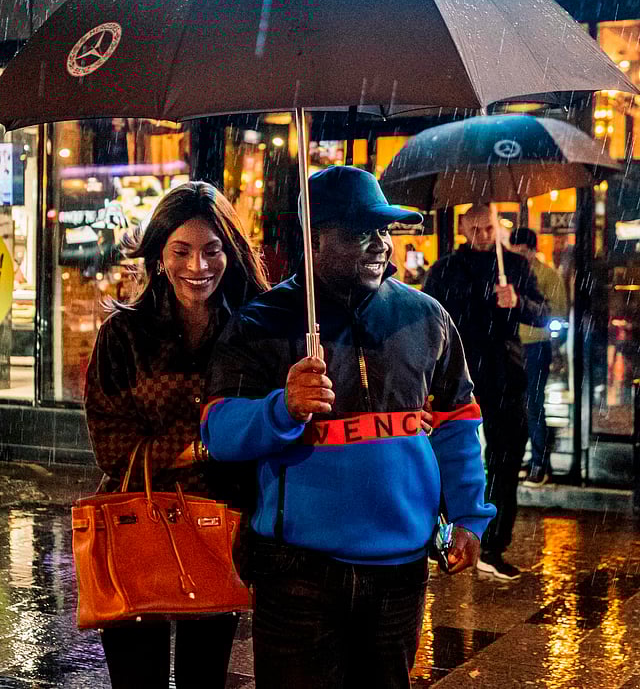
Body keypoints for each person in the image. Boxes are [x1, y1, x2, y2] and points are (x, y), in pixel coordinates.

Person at [201, 166, 495, 689]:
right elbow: (219, 433)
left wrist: (470, 515)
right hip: (296, 575)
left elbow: (457, 422)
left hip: (401, 576)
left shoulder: (425, 317)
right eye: (362, 231)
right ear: (313, 238)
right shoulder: (259, 322)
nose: (381, 243)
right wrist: (281, 408)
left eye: (384, 230)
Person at [84, 180, 269, 689]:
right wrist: (203, 442)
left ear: (230, 252)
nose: (198, 267)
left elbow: (265, 426)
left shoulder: (251, 333)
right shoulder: (124, 335)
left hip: (221, 533)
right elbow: (111, 446)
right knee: (136, 678)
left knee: (203, 680)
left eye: (212, 251)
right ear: (158, 256)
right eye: (181, 251)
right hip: (136, 530)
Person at [423, 204, 548, 582]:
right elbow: (428, 318)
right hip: (455, 376)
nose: (482, 234)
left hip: (504, 373)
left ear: (498, 227)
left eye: (489, 227)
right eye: (475, 228)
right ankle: (445, 535)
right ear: (463, 228)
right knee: (447, 455)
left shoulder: (515, 266)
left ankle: (493, 543)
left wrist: (517, 302)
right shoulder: (445, 269)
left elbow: (543, 313)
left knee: (506, 456)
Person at [510, 227, 568, 487]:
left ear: (533, 251)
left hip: (535, 346)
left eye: (523, 252)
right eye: (515, 252)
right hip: (512, 345)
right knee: (514, 406)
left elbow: (557, 312)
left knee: (533, 404)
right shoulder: (508, 273)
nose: (520, 257)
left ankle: (538, 463)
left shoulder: (547, 275)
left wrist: (525, 304)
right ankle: (523, 457)